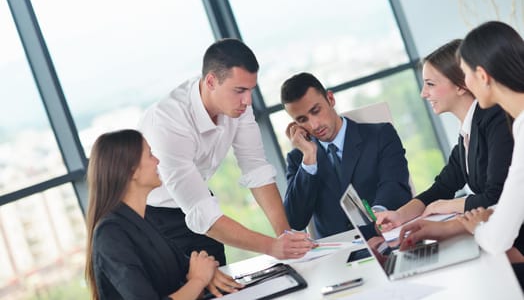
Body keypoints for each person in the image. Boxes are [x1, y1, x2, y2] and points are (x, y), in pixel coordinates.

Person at [139, 38, 314, 265]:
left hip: (200, 201)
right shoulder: (167, 122)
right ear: (211, 81)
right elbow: (202, 214)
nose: (247, 100)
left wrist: (286, 237)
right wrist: (272, 247)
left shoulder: (239, 106)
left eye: (251, 90)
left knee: (225, 282)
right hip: (158, 219)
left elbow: (256, 168)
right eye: (239, 90)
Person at [397, 21, 524, 288]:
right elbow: (502, 203)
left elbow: (496, 228)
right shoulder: (510, 123)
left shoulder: (506, 124)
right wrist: (453, 224)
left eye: (465, 75)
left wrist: (468, 222)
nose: (466, 83)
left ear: (481, 76)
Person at [85, 129, 242, 299]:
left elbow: (187, 268)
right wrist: (198, 279)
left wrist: (201, 270)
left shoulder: (143, 222)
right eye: (150, 155)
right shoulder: (110, 235)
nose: (157, 161)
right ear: (133, 172)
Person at [376, 39, 514, 231]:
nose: (424, 93)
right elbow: (441, 188)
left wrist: (446, 206)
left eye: (430, 84)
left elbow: (497, 196)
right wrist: (398, 216)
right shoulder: (467, 133)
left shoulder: (495, 119)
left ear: (461, 85)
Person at [280, 72, 412, 238]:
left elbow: (394, 185)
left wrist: (376, 221)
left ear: (330, 99)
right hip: (338, 254)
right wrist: (309, 158)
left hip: (385, 235)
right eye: (302, 119)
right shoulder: (299, 159)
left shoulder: (380, 135)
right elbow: (295, 220)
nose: (314, 125)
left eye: (315, 111)